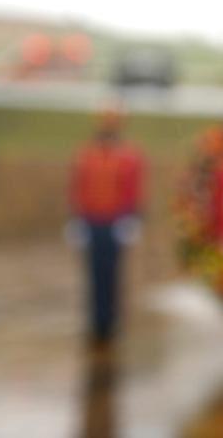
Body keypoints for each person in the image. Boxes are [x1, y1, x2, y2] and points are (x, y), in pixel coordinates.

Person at [69, 108, 145, 345]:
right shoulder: (86, 154)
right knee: (93, 274)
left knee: (113, 273)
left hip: (115, 222)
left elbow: (133, 189)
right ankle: (96, 322)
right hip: (92, 221)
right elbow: (78, 187)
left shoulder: (129, 156)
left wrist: (132, 219)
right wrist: (76, 218)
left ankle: (111, 322)